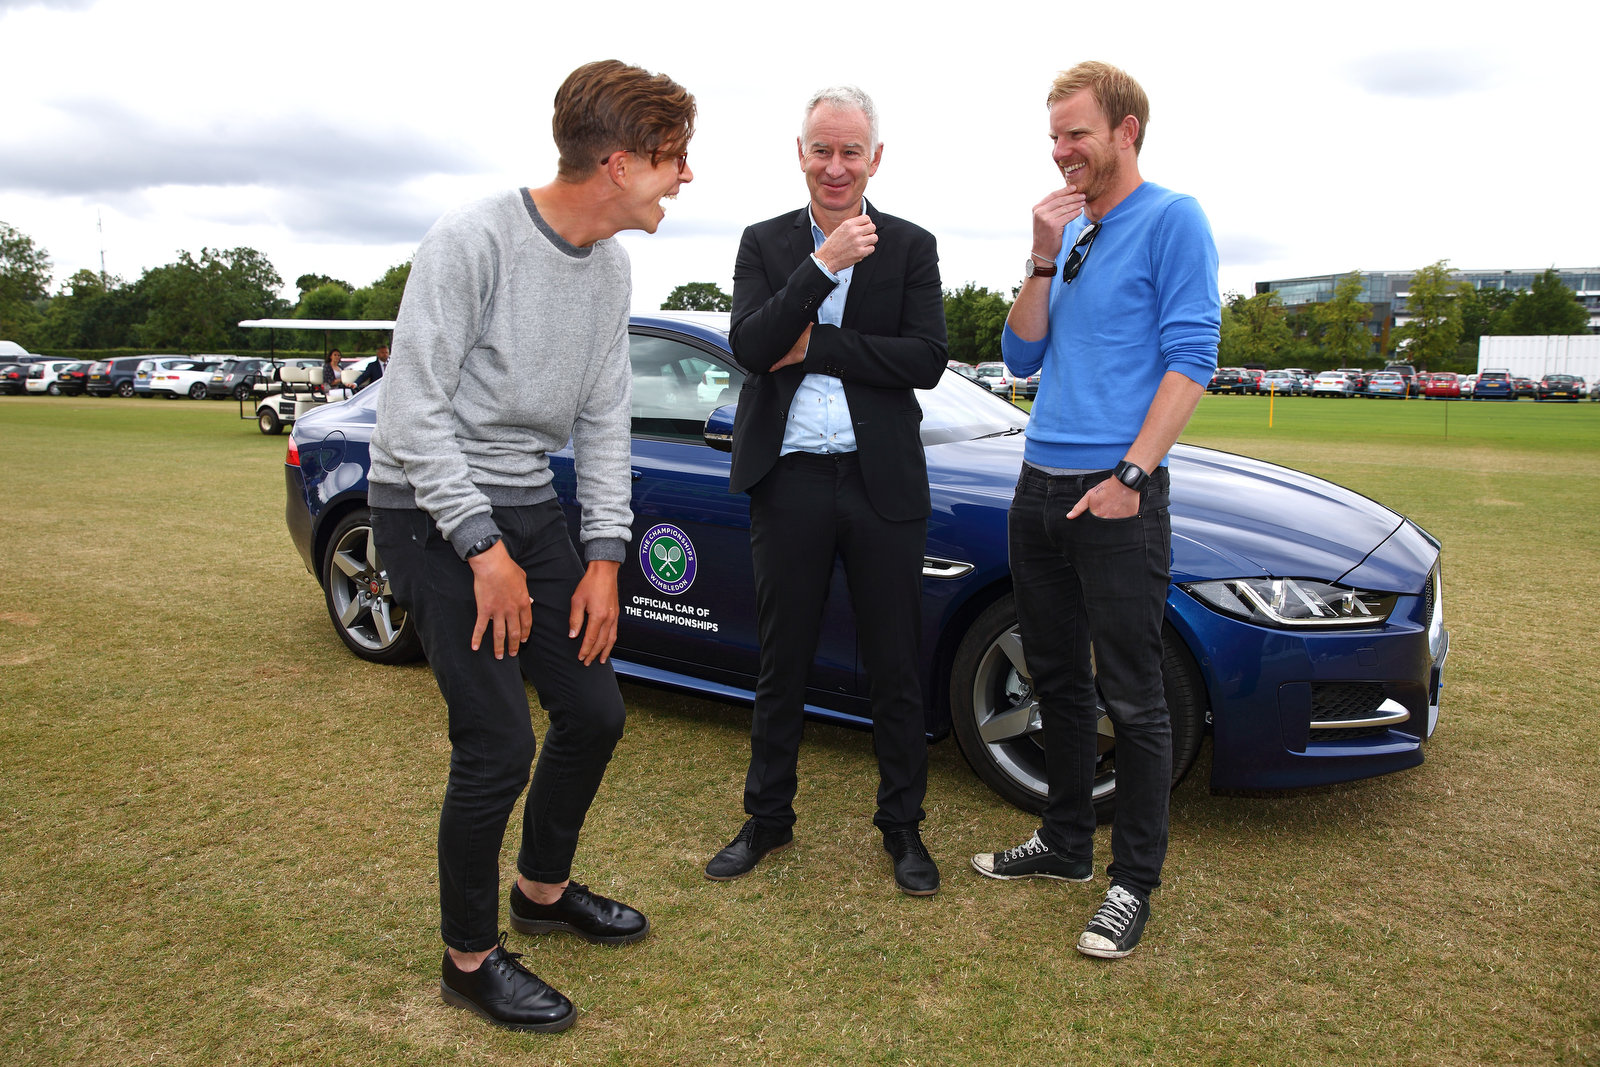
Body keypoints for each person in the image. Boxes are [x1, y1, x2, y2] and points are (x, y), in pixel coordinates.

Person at [366, 59, 695, 1032]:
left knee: (593, 710)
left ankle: (540, 891)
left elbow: (604, 420)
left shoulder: (614, 268)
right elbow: (413, 414)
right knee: (499, 740)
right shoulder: (472, 241)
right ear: (619, 163)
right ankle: (469, 957)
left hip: (525, 508)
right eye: (674, 159)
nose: (685, 178)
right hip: (428, 511)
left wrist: (602, 556)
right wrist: (481, 548)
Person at [970, 61, 1219, 959]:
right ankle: (1067, 844)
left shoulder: (1173, 219)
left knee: (1135, 696)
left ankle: (1132, 882)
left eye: (1076, 132)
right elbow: (1021, 355)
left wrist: (1133, 476)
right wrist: (1040, 253)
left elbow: (1193, 356)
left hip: (1115, 490)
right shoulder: (1072, 234)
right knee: (1056, 679)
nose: (1060, 150)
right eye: (1053, 135)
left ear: (1126, 132)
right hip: (1036, 482)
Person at [705, 86, 948, 896]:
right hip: (791, 481)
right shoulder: (765, 243)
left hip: (881, 484)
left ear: (875, 158)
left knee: (893, 665)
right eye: (822, 150)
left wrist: (815, 344)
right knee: (783, 660)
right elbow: (750, 345)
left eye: (851, 151)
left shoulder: (911, 246)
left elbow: (924, 360)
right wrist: (822, 266)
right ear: (800, 153)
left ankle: (903, 828)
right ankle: (767, 818)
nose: (836, 166)